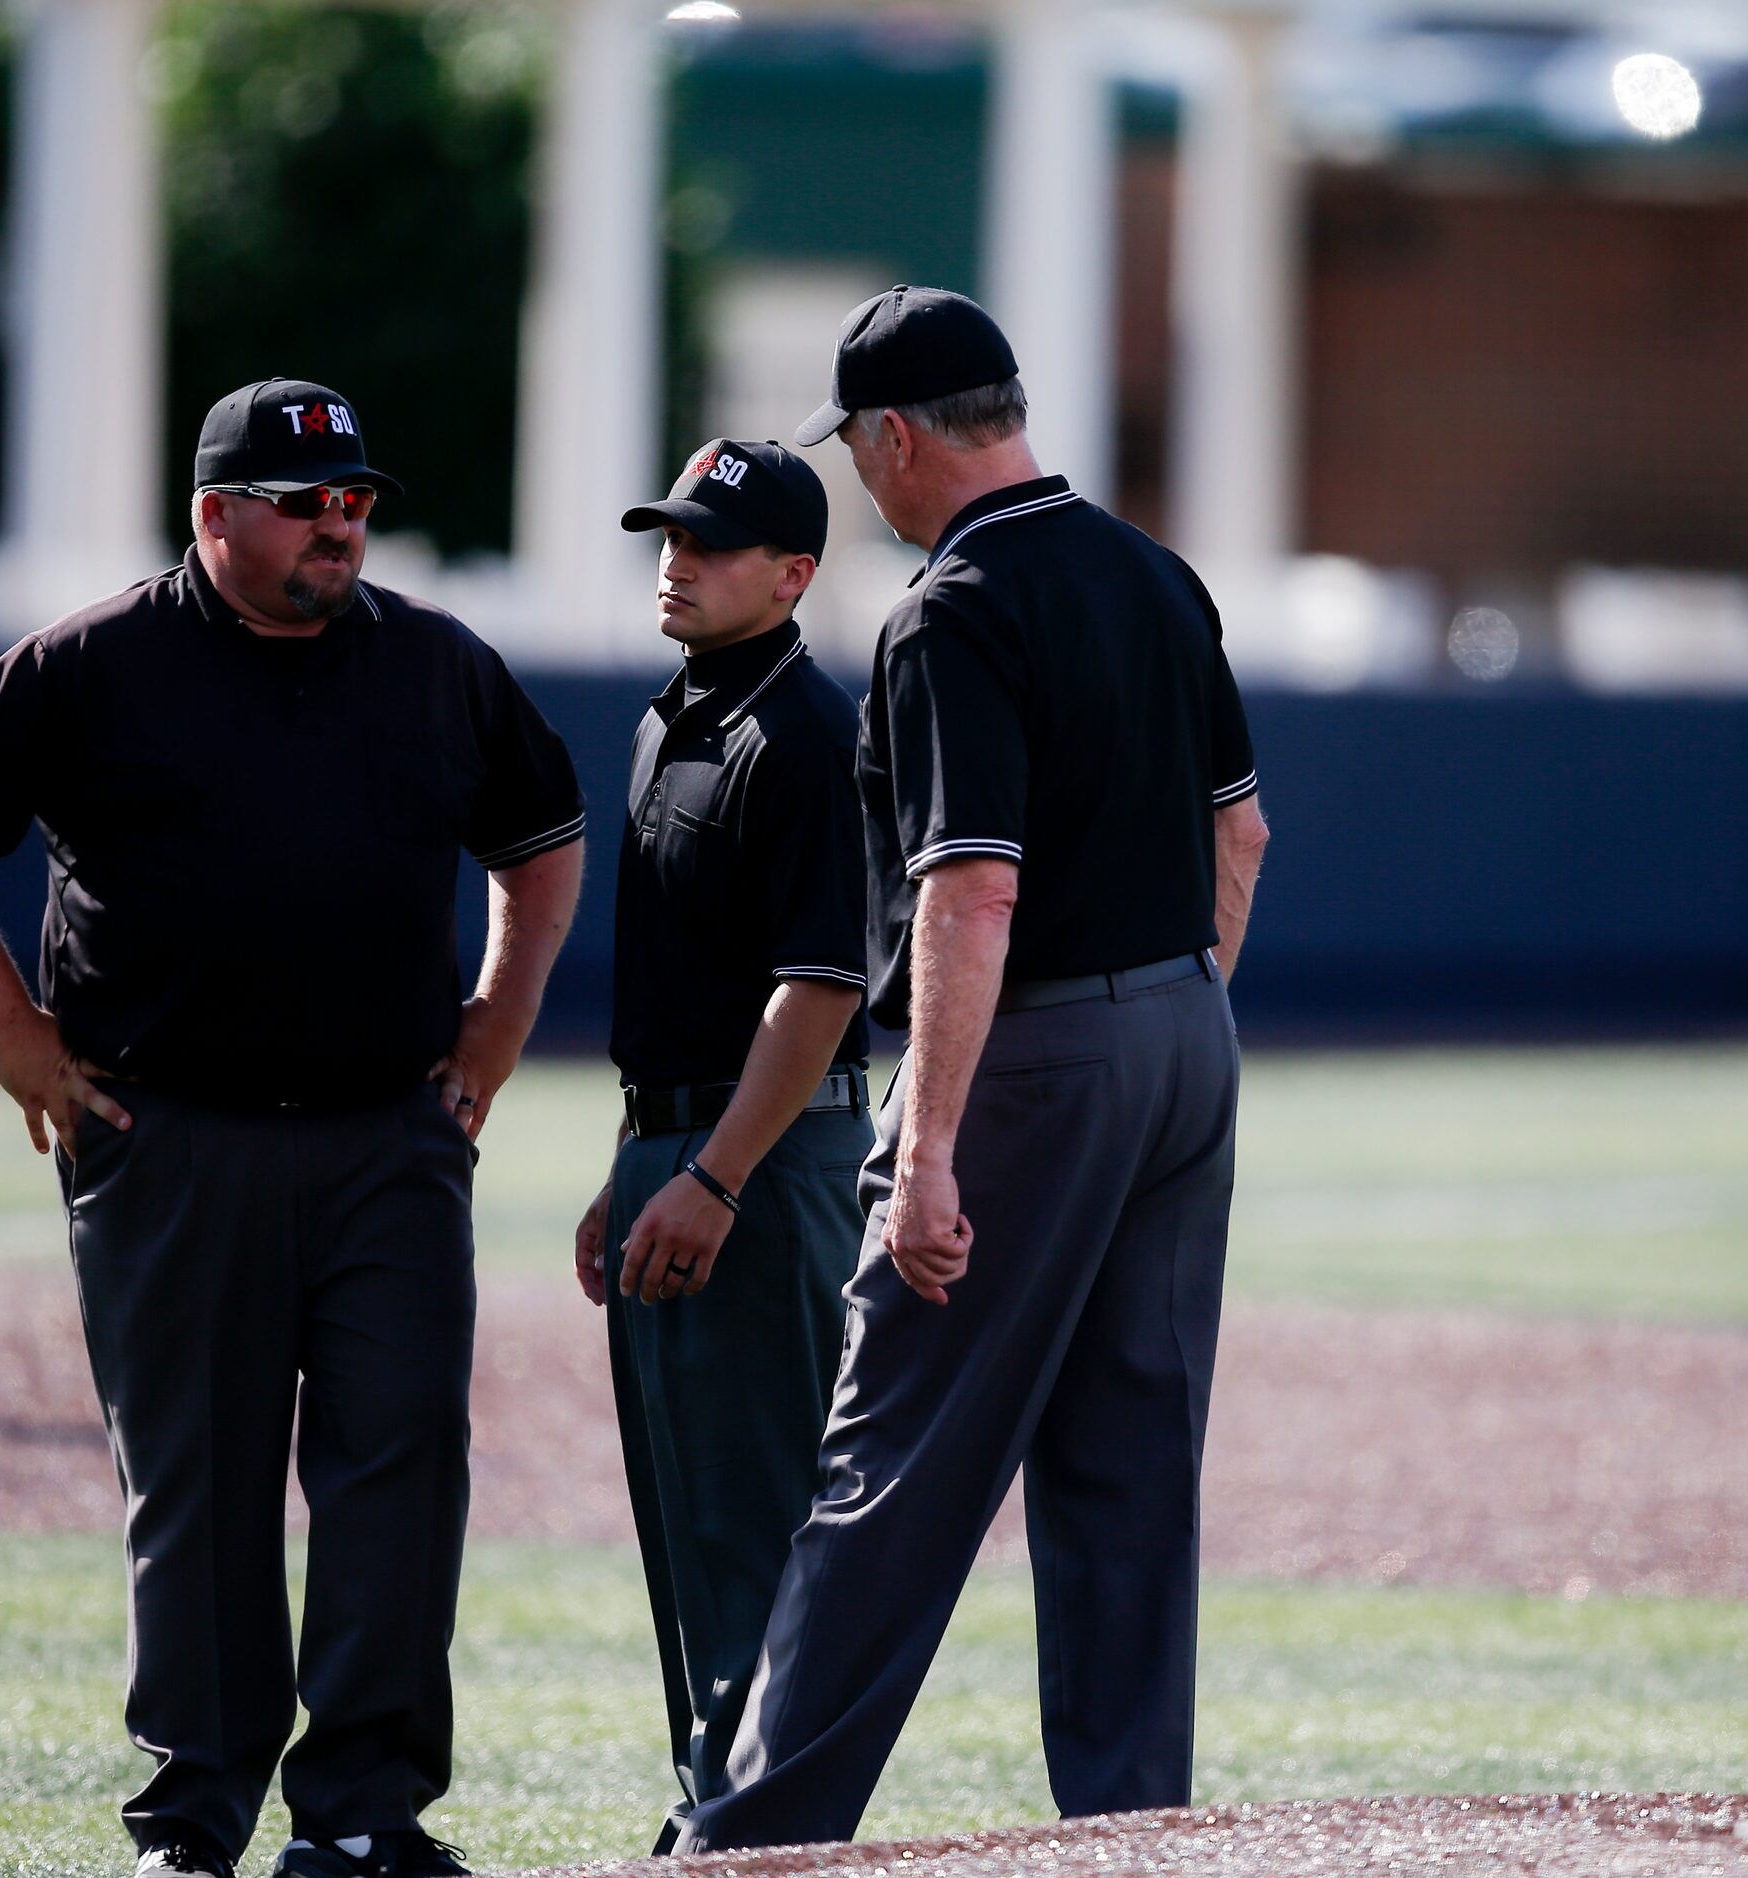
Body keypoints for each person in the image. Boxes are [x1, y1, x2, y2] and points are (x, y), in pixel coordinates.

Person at [0, 379, 586, 1878]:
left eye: (358, 501)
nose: (344, 526)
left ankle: (365, 1810)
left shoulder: (436, 664)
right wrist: (15, 1032)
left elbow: (540, 836)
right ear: (216, 515)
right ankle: (192, 1814)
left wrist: (497, 1021)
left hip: (389, 1134)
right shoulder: (98, 659)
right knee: (196, 1484)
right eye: (309, 502)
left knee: (399, 1464)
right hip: (167, 1129)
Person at [674, 286, 1271, 1853]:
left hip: (1035, 1057)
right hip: (1183, 1043)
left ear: (890, 437)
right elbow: (1241, 830)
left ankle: (751, 1838)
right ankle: (1130, 1829)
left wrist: (926, 1146)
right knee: (1129, 1471)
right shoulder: (1155, 573)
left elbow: (970, 889)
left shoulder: (951, 607)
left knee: (892, 1462)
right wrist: (1178, 1011)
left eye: (860, 451)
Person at [568, 437, 871, 1851]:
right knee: (684, 1514)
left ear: (793, 572)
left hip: (759, 1163)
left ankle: (758, 1825)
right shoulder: (670, 716)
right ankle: (717, 1801)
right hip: (676, 1149)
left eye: (711, 541)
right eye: (667, 535)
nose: (675, 560)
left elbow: (818, 987)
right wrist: (629, 1165)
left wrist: (709, 1174)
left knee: (754, 1510)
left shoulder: (803, 733)